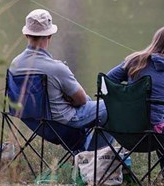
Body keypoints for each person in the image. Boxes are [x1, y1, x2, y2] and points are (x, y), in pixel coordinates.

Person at [105, 25, 164, 180]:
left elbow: (108, 80)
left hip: (123, 132)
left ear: (155, 42)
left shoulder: (134, 61)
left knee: (162, 116)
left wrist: (125, 94)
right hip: (153, 136)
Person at [9, 8, 107, 150]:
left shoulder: (14, 64)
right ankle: (92, 158)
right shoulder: (56, 68)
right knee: (110, 107)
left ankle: (83, 154)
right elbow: (81, 100)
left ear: (26, 35)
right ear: (49, 35)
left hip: (34, 124)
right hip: (62, 124)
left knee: (91, 106)